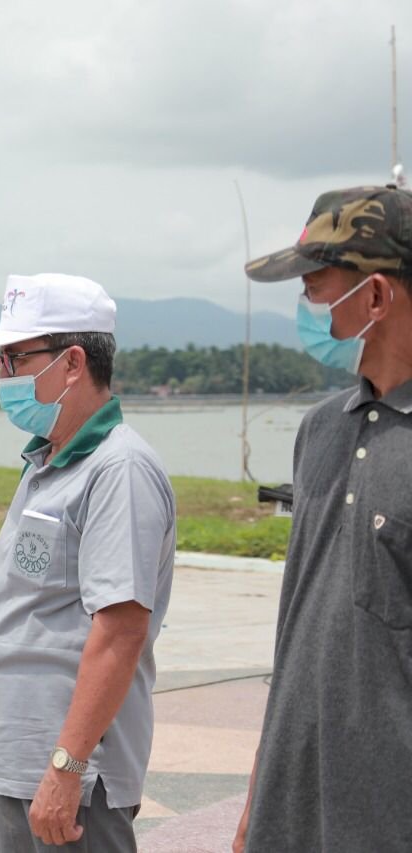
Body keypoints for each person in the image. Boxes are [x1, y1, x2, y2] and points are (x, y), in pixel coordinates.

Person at [0, 274, 175, 851]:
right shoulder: (45, 462)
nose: (3, 377)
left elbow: (120, 630)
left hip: (62, 781)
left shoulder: (118, 470)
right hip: (1, 764)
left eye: (15, 359)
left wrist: (66, 768)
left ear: (73, 362)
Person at [233, 185, 412, 852]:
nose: (306, 307)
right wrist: (260, 790)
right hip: (292, 811)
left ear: (375, 297)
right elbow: (299, 628)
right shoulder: (319, 431)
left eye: (315, 287)